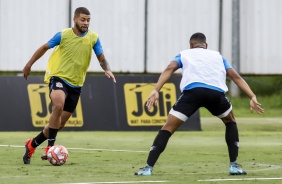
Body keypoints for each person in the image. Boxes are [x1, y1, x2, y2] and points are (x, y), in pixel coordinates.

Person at [135, 32, 264, 176]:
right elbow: (235, 76)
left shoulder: (184, 54)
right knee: (230, 121)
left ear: (190, 46)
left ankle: (148, 168)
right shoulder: (218, 56)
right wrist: (252, 96)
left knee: (168, 128)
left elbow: (170, 68)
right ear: (206, 45)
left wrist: (156, 89)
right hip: (216, 94)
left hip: (193, 93)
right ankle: (234, 165)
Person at [22, 7, 116, 164]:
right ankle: (50, 148)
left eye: (88, 20)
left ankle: (31, 144)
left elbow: (101, 57)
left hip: (76, 84)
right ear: (75, 19)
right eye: (83, 20)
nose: (86, 23)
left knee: (58, 124)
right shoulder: (64, 35)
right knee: (58, 106)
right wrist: (29, 65)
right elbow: (44, 47)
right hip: (58, 76)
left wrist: (107, 69)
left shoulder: (93, 38)